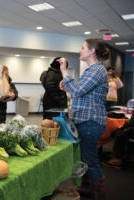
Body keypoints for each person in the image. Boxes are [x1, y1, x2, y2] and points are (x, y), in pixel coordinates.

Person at [59, 38, 110, 200]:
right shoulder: (91, 70)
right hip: (86, 120)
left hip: (90, 122)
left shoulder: (96, 70)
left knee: (91, 160)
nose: (80, 50)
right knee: (86, 158)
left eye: (83, 48)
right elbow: (80, 93)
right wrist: (68, 86)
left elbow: (79, 91)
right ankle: (89, 189)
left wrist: (64, 70)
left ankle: (99, 195)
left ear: (92, 51)